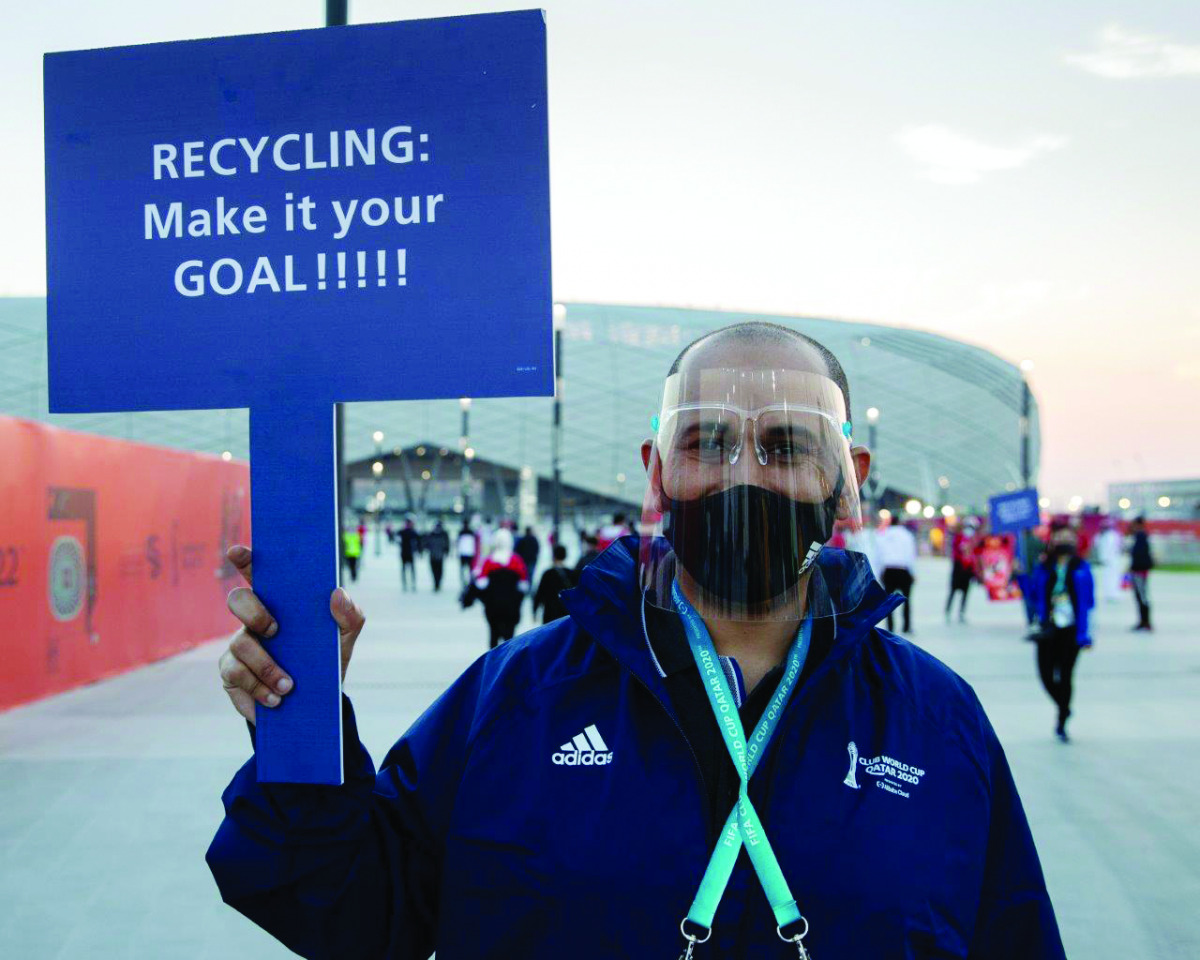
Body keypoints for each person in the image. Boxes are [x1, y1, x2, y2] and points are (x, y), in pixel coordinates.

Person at [209, 321, 1065, 959]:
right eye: (709, 443)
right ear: (657, 471)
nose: (743, 474)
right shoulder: (520, 697)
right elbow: (358, 916)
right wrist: (301, 731)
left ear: (849, 481)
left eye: (785, 447)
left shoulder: (933, 720)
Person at [1030, 524, 1094, 742]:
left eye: (1069, 537)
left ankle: (1061, 721)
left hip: (1072, 631)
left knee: (1065, 676)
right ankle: (1064, 706)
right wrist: (1020, 574)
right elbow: (1032, 593)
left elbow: (1089, 602)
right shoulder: (1043, 567)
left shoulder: (1082, 568)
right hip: (1048, 629)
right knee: (1046, 676)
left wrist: (1085, 633)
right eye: (1060, 537)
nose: (1064, 541)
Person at [462, 527, 528, 648]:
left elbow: (481, 584)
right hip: (511, 606)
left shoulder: (488, 561)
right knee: (510, 638)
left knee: (493, 635)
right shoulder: (517, 561)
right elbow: (523, 585)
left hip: (493, 606)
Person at [876, 518, 917, 633]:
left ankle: (890, 627)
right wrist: (913, 572)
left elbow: (879, 555)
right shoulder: (907, 535)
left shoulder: (883, 535)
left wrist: (880, 572)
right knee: (907, 599)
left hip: (888, 570)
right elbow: (911, 554)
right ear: (899, 522)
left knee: (889, 601)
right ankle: (906, 626)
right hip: (903, 569)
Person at [532, 544, 575, 624]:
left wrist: (535, 610)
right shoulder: (571, 573)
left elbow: (539, 593)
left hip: (549, 612)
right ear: (565, 556)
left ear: (553, 556)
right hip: (565, 613)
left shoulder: (547, 573)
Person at [945, 522, 978, 624]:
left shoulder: (972, 541)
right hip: (958, 569)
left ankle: (961, 612)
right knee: (953, 591)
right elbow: (957, 551)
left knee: (965, 593)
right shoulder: (959, 538)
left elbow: (974, 556)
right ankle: (948, 610)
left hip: (967, 571)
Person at [1128, 515, 1154, 631]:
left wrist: (1133, 567)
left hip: (1139, 571)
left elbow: (1140, 555)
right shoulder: (1140, 536)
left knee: (1142, 596)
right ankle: (1143, 621)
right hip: (1139, 570)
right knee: (1139, 596)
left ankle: (1146, 621)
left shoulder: (1141, 537)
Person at [1093, 519, 1123, 603]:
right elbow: (1096, 544)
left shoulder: (1113, 535)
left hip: (1113, 560)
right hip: (1105, 561)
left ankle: (1114, 595)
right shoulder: (1101, 536)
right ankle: (1108, 595)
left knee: (1114, 578)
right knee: (1106, 579)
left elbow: (1115, 548)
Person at [514, 526, 541, 596]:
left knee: (524, 574)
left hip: (524, 560)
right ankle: (529, 588)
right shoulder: (534, 539)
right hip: (532, 560)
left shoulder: (522, 539)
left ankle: (524, 587)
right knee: (530, 574)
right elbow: (537, 549)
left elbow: (517, 550)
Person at [424, 520, 450, 593]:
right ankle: (436, 584)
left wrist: (446, 551)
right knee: (435, 571)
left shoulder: (444, 534)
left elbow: (447, 544)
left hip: (439, 556)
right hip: (434, 556)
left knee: (439, 571)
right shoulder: (431, 534)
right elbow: (426, 544)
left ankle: (437, 584)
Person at [398, 519, 420, 592]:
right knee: (406, 569)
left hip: (409, 553)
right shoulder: (408, 532)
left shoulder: (409, 532)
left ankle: (411, 583)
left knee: (410, 569)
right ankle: (406, 583)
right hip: (406, 553)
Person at [456, 520, 477, 588]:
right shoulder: (472, 532)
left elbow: (458, 543)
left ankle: (464, 581)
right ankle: (470, 581)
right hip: (470, 553)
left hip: (463, 553)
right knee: (470, 569)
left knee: (463, 569)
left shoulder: (461, 532)